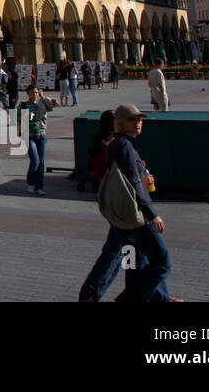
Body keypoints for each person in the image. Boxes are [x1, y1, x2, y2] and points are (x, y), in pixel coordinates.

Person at [105, 104, 173, 302]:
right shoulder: (125, 145)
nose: (138, 123)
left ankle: (159, 299)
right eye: (132, 120)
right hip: (136, 215)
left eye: (139, 120)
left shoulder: (117, 144)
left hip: (122, 217)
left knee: (134, 262)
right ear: (120, 123)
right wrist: (152, 214)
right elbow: (133, 182)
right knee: (161, 263)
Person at [78, 110, 126, 301]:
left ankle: (153, 294)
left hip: (118, 206)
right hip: (122, 207)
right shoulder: (113, 146)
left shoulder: (106, 144)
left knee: (131, 254)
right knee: (118, 252)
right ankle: (91, 293)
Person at [18, 85, 57, 195]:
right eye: (32, 92)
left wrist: (43, 96)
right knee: (35, 161)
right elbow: (16, 118)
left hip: (41, 135)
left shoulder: (42, 103)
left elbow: (53, 105)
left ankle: (39, 187)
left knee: (41, 162)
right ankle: (31, 182)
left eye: (36, 92)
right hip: (29, 136)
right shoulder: (23, 105)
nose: (34, 94)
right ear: (28, 94)